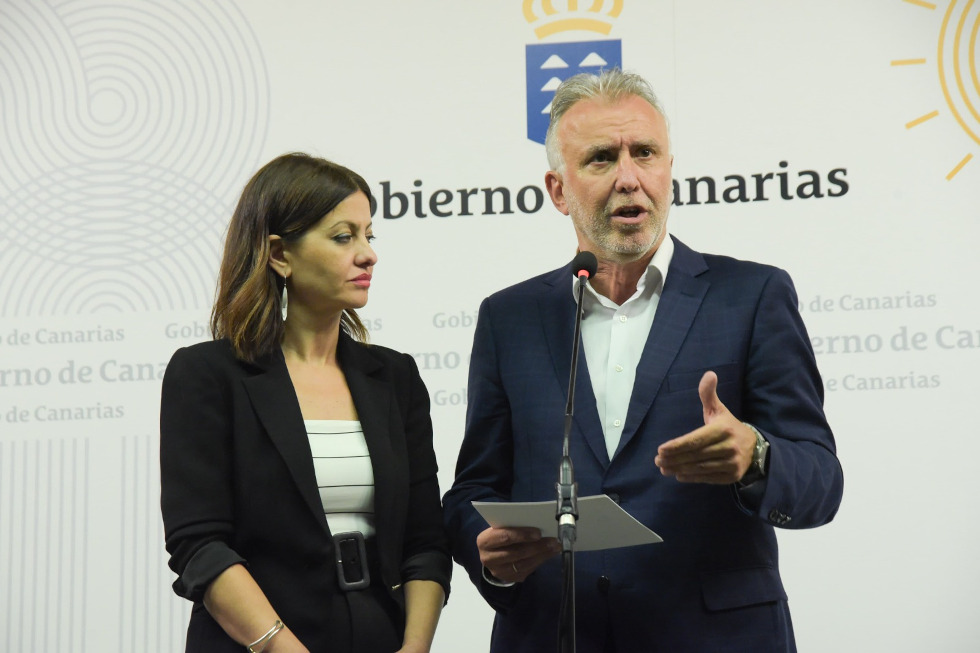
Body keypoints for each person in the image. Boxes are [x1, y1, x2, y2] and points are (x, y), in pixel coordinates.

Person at [442, 69, 843, 652]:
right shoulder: (510, 317)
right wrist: (488, 551)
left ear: (668, 169)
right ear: (558, 190)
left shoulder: (752, 296)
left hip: (715, 638)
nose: (629, 178)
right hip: (555, 633)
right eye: (601, 158)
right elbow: (474, 488)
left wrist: (755, 456)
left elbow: (820, 480)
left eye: (645, 153)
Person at [160, 153, 451, 653]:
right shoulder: (207, 374)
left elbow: (425, 543)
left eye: (369, 236)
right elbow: (200, 546)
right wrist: (281, 647)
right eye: (343, 237)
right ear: (279, 254)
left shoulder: (394, 377)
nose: (368, 255)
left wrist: (413, 648)